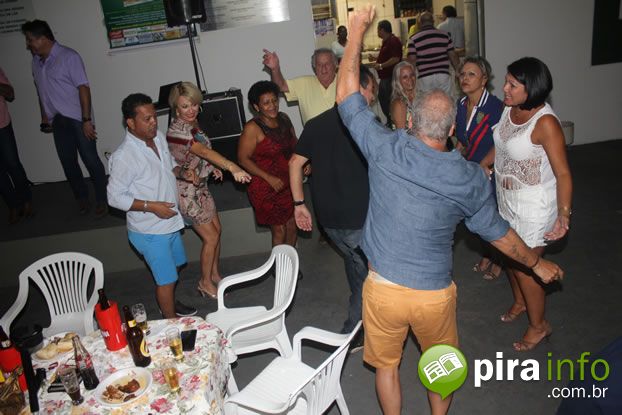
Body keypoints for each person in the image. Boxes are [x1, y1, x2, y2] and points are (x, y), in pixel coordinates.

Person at [336, 7, 564, 414]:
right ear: (453, 130)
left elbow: (346, 98)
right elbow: (499, 233)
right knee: (441, 367)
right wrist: (537, 263)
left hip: (382, 287)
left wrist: (355, 34)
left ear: (410, 122)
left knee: (386, 368)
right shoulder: (470, 179)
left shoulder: (385, 148)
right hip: (433, 296)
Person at [483, 57, 572, 351]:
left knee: (526, 266)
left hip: (535, 206)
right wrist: (483, 165)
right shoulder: (510, 108)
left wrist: (564, 214)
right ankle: (522, 302)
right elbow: (501, 143)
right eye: (506, 81)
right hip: (507, 199)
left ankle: (539, 326)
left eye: (512, 84)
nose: (504, 88)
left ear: (530, 88)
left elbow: (563, 173)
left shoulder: (545, 123)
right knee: (510, 256)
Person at [289, 65, 376, 341]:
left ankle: (362, 318)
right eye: (372, 91)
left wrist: (299, 203)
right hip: (358, 217)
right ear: (359, 89)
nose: (373, 98)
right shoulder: (364, 125)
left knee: (354, 262)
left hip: (328, 220)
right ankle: (355, 331)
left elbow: (295, 163)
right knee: (370, 276)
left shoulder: (315, 123)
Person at [107, 93, 197, 318]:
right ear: (130, 122)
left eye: (154, 116)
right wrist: (152, 206)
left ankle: (168, 303)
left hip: (170, 221)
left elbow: (169, 165)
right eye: (147, 119)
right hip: (150, 230)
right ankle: (171, 324)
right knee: (166, 280)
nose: (154, 122)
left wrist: (182, 171)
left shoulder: (157, 138)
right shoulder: (124, 156)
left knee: (176, 267)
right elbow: (114, 197)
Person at [166, 82, 251, 299]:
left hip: (201, 187)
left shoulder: (193, 125)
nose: (191, 110)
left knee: (217, 230)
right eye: (185, 106)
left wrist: (212, 168)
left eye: (194, 104)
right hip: (187, 193)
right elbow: (202, 151)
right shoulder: (178, 131)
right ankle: (204, 283)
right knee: (211, 237)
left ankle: (214, 275)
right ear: (176, 109)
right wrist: (232, 167)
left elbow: (199, 155)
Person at [21, 20, 108, 217]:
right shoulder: (36, 62)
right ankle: (82, 198)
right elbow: (41, 91)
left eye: (30, 40)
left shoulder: (69, 56)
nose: (28, 44)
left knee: (90, 159)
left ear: (43, 38)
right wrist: (45, 116)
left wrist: (86, 120)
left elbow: (83, 88)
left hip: (78, 118)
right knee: (68, 162)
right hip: (57, 120)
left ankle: (103, 199)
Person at [455, 56, 504, 280]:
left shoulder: (495, 107)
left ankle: (499, 259)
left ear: (484, 79)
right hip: (471, 170)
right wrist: (453, 159)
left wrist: (484, 164)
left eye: (471, 74)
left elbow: (501, 143)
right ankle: (488, 253)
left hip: (489, 169)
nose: (465, 78)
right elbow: (463, 140)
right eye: (462, 74)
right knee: (475, 216)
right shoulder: (461, 104)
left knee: (492, 217)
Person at [238, 81, 299, 247]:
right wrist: (268, 178)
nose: (272, 106)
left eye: (274, 100)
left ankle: (291, 261)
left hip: (288, 182)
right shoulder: (252, 128)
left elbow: (295, 143)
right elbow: (243, 159)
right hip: (265, 186)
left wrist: (304, 160)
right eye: (266, 103)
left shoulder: (284, 118)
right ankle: (279, 263)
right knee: (279, 229)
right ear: (256, 107)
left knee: (293, 224)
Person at [262, 48, 337, 125]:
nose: (323, 68)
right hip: (314, 133)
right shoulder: (304, 83)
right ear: (314, 67)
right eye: (319, 65)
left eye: (327, 64)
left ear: (335, 65)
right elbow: (280, 86)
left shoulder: (344, 82)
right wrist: (275, 69)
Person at [0, 66, 32, 224]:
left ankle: (27, 201)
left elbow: (10, 94)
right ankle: (13, 205)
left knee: (13, 164)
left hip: (1, 125)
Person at [407, 12, 460, 97]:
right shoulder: (445, 35)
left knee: (426, 102)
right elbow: (453, 55)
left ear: (420, 23)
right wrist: (459, 71)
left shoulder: (413, 39)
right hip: (443, 75)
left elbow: (412, 60)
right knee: (447, 101)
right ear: (433, 21)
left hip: (425, 78)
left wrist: (410, 77)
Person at [370, 20, 402, 126]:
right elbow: (387, 56)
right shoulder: (386, 41)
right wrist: (376, 59)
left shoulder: (393, 41)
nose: (377, 32)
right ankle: (390, 121)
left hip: (390, 77)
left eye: (378, 30)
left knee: (389, 101)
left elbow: (395, 59)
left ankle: (393, 122)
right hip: (385, 78)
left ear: (382, 30)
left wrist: (381, 65)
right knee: (384, 99)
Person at [389, 61, 417, 130]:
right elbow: (401, 134)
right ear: (398, 80)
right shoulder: (398, 103)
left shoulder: (419, 95)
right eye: (405, 77)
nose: (410, 79)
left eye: (412, 75)